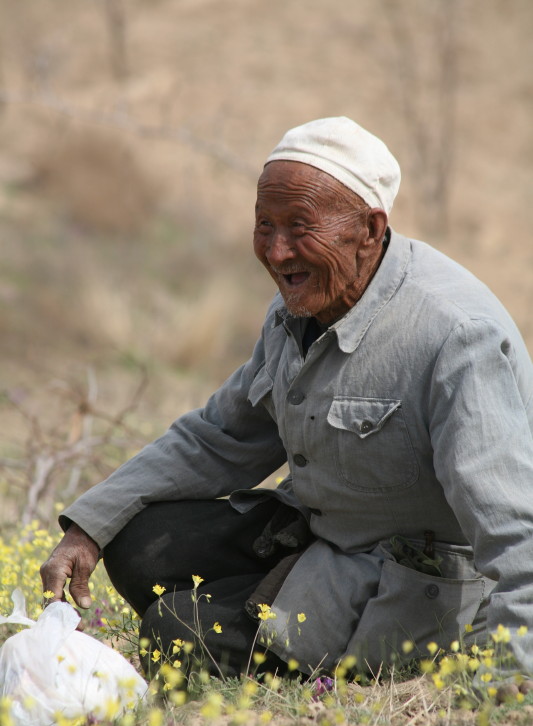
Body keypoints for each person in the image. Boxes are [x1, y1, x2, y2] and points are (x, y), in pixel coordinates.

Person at [41, 117, 533, 682]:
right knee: (138, 542)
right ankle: (263, 619)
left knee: (177, 631)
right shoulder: (301, 309)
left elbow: (518, 531)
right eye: (264, 225)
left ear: (371, 229)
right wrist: (89, 527)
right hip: (323, 544)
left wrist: (510, 683)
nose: (277, 252)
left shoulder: (453, 338)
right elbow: (218, 439)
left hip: (413, 594)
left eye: (300, 227)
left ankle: (315, 657)